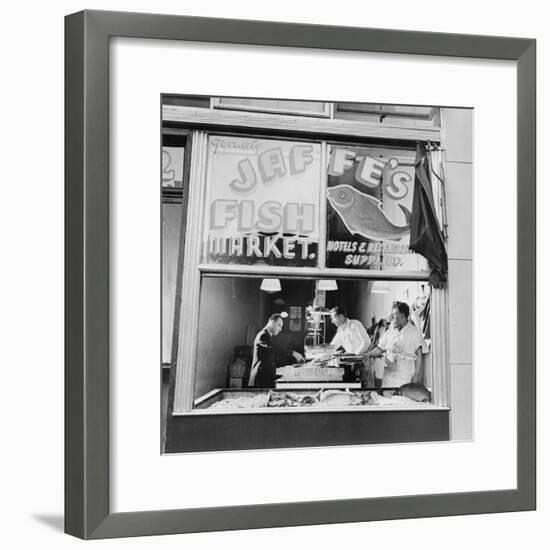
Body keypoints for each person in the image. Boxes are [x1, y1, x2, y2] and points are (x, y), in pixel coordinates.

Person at [365, 301, 425, 387]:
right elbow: (380, 348)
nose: (392, 317)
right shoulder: (390, 331)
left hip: (405, 372)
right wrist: (368, 354)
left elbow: (419, 354)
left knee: (401, 398)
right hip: (389, 372)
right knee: (387, 396)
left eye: (395, 314)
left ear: (402, 315)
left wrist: (417, 375)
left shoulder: (413, 331)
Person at [329, 306, 371, 383]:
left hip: (363, 363)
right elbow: (331, 347)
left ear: (341, 316)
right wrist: (318, 357)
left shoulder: (355, 324)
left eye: (333, 318)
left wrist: (355, 356)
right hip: (352, 364)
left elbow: (367, 341)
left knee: (364, 388)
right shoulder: (340, 331)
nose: (332, 321)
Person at [248, 313, 286, 388]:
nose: (280, 329)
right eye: (279, 325)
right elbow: (274, 349)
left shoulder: (268, 337)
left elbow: (268, 360)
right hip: (259, 381)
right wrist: (293, 353)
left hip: (265, 379)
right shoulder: (263, 335)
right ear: (272, 321)